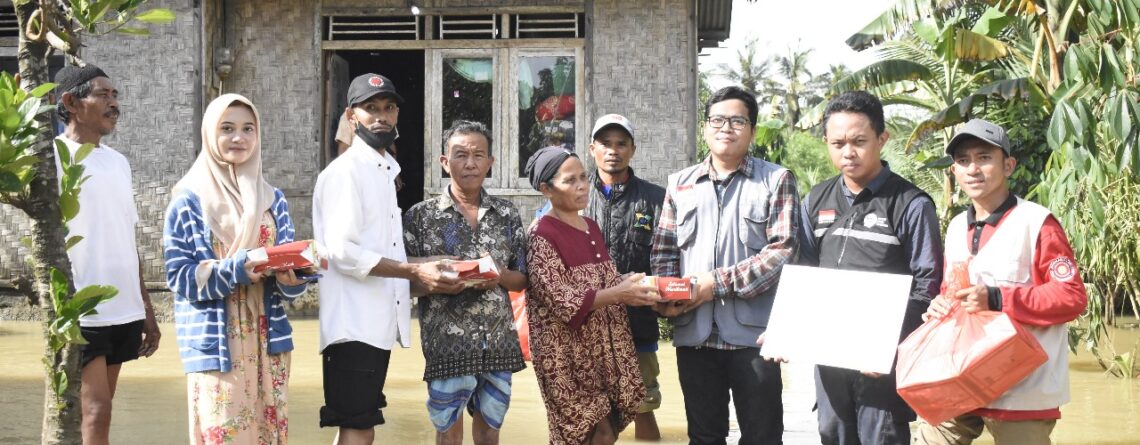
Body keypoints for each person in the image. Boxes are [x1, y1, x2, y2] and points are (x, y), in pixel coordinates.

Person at [915, 119, 1087, 445]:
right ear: (953, 171)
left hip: (1022, 386)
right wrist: (941, 304)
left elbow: (1071, 296)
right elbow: (952, 289)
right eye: (963, 161)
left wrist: (997, 298)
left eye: (984, 157)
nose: (973, 169)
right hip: (961, 374)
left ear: (1008, 165)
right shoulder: (953, 227)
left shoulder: (1037, 223)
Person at [313, 73, 461, 445]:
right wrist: (414, 270)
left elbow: (383, 249)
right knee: (359, 427)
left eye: (388, 107)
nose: (381, 116)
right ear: (351, 116)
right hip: (353, 324)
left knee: (360, 423)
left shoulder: (383, 170)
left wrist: (432, 260)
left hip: (374, 324)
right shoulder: (346, 173)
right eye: (370, 108)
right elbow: (342, 252)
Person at [649, 86, 798, 445]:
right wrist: (667, 295)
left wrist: (714, 284)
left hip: (754, 338)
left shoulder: (776, 180)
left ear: (752, 130)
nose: (725, 128)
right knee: (703, 437)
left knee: (762, 437)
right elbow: (664, 250)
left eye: (737, 120)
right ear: (705, 127)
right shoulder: (680, 184)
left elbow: (782, 251)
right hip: (694, 335)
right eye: (717, 119)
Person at [798, 91, 943, 445]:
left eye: (860, 141)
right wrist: (790, 329)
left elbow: (928, 286)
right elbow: (803, 274)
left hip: (883, 359)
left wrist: (888, 346)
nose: (848, 152)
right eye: (838, 142)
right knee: (832, 433)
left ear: (882, 139)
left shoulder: (911, 204)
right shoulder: (815, 199)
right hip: (829, 348)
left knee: (882, 437)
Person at [163, 94, 308, 444]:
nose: (238, 138)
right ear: (210, 135)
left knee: (268, 434)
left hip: (268, 339)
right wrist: (238, 269)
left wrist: (294, 278)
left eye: (248, 129)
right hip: (217, 341)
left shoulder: (274, 200)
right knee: (224, 434)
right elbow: (180, 277)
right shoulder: (188, 201)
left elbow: (287, 273)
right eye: (227, 129)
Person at [53, 64, 161, 445]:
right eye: (103, 95)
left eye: (115, 95)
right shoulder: (53, 158)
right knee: (94, 410)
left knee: (100, 411)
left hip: (123, 307)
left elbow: (125, 238)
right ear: (70, 102)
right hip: (82, 307)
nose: (114, 103)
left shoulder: (118, 163)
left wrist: (147, 310)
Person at [524, 146, 661, 445]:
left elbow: (602, 281)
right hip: (566, 356)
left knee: (606, 431)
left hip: (602, 349)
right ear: (546, 189)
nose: (582, 186)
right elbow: (564, 301)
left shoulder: (591, 227)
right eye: (570, 180)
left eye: (583, 177)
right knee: (588, 432)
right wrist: (619, 292)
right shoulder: (541, 234)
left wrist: (630, 285)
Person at [403, 120, 529, 445]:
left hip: (498, 342)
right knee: (448, 431)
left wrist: (498, 275)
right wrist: (435, 282)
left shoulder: (507, 214)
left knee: (489, 432)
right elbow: (401, 284)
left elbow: (522, 279)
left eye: (478, 155)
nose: (469, 163)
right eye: (460, 155)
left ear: (490, 162)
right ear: (445, 162)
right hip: (446, 343)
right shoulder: (420, 217)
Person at [581, 113, 667, 441]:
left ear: (633, 149)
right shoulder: (574, 197)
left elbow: (667, 261)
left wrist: (662, 296)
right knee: (592, 415)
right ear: (592, 149)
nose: (613, 150)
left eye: (621, 144)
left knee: (645, 407)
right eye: (605, 143)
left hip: (638, 323)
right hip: (587, 325)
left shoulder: (656, 199)